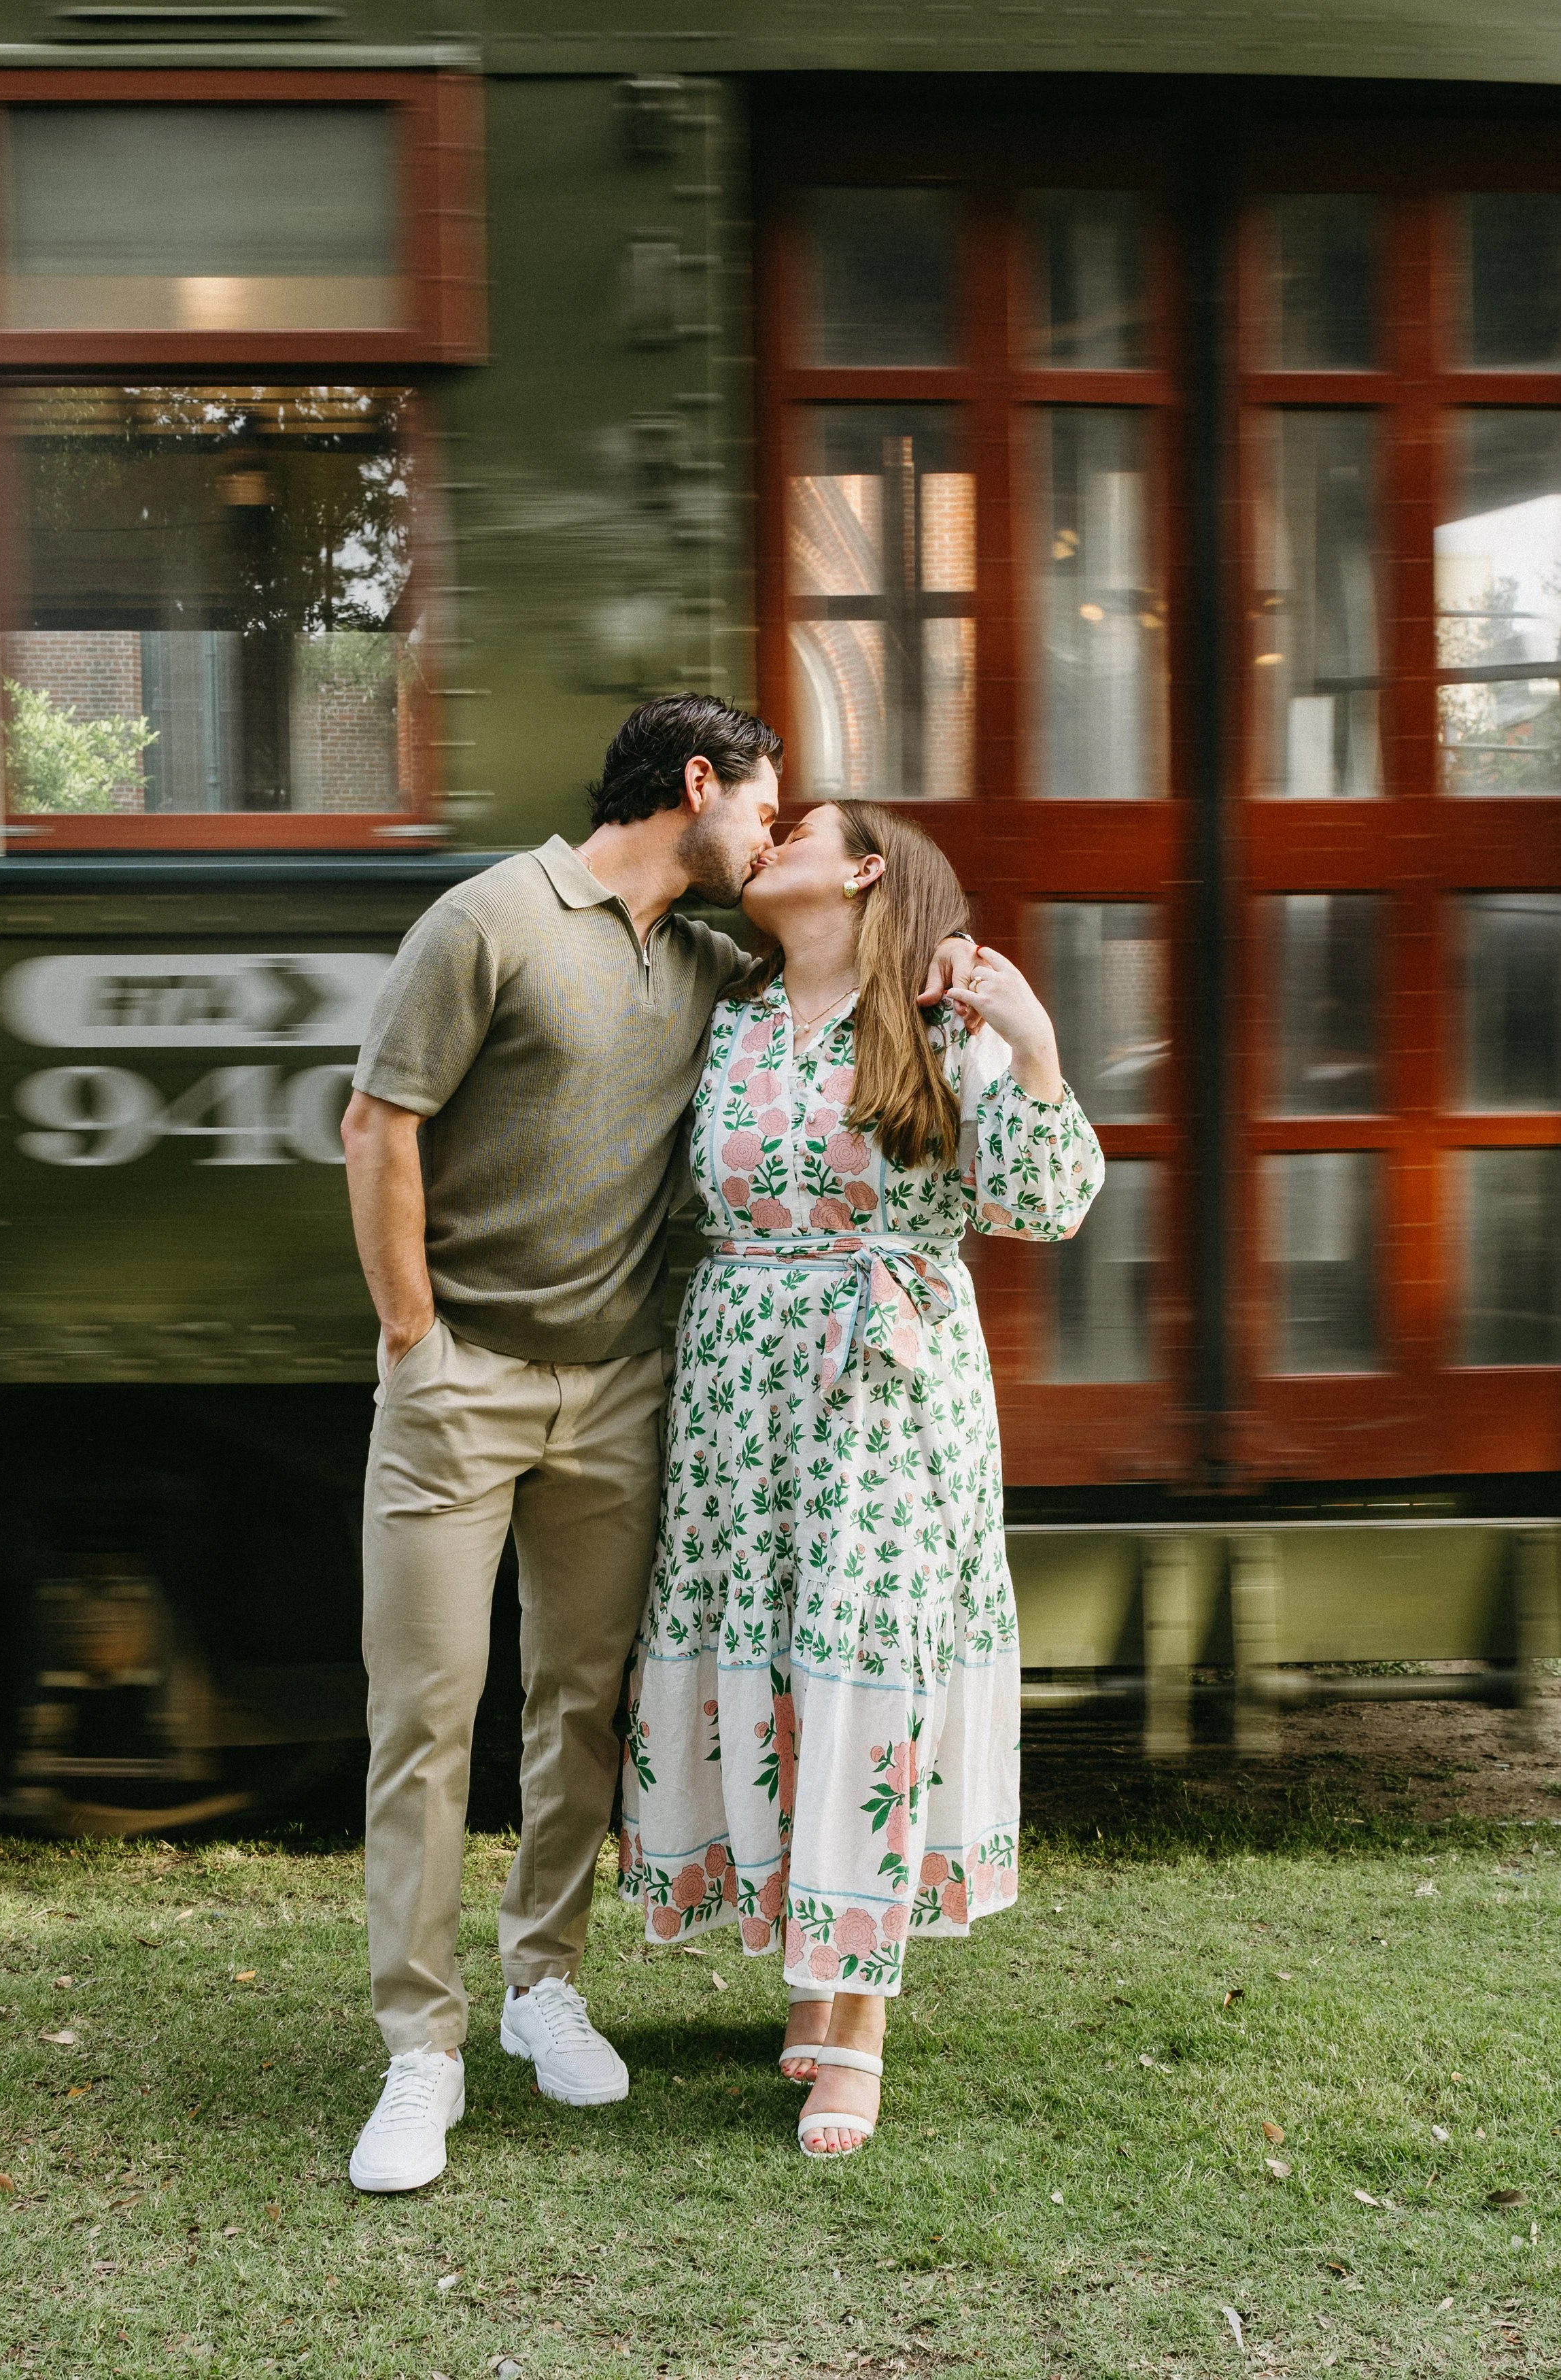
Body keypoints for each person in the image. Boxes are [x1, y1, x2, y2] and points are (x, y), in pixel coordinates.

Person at [338, 696, 980, 2193]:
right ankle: (418, 2051)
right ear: (696, 784)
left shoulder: (710, 970)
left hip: (622, 1388)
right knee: (427, 1713)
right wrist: (414, 1339)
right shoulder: (487, 918)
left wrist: (949, 975)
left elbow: (845, 997)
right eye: (763, 807)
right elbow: (378, 1125)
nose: (769, 837)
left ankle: (536, 1985)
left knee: (578, 1705)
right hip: (464, 1382)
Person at [617, 798, 1104, 2157]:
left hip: (887, 1392)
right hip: (739, 1384)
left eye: (801, 829)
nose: (764, 841)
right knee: (773, 1660)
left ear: (864, 870)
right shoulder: (728, 1018)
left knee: (860, 1663)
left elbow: (1043, 1202)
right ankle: (809, 1970)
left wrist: (1036, 1043)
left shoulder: (944, 1023)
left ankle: (859, 2018)